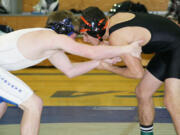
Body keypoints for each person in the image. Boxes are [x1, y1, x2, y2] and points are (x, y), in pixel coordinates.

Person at [0, 10, 142, 135]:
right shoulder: (52, 38)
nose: (75, 38)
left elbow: (70, 70)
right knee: (33, 104)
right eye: (74, 33)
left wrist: (99, 63)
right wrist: (126, 48)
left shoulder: (48, 42)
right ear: (63, 28)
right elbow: (90, 52)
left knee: (2, 105)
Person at [80, 6, 180, 135]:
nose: (84, 39)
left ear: (94, 30)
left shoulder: (117, 36)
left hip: (176, 47)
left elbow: (137, 73)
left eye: (85, 34)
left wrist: (109, 67)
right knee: (142, 92)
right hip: (167, 49)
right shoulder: (114, 21)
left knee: (172, 102)